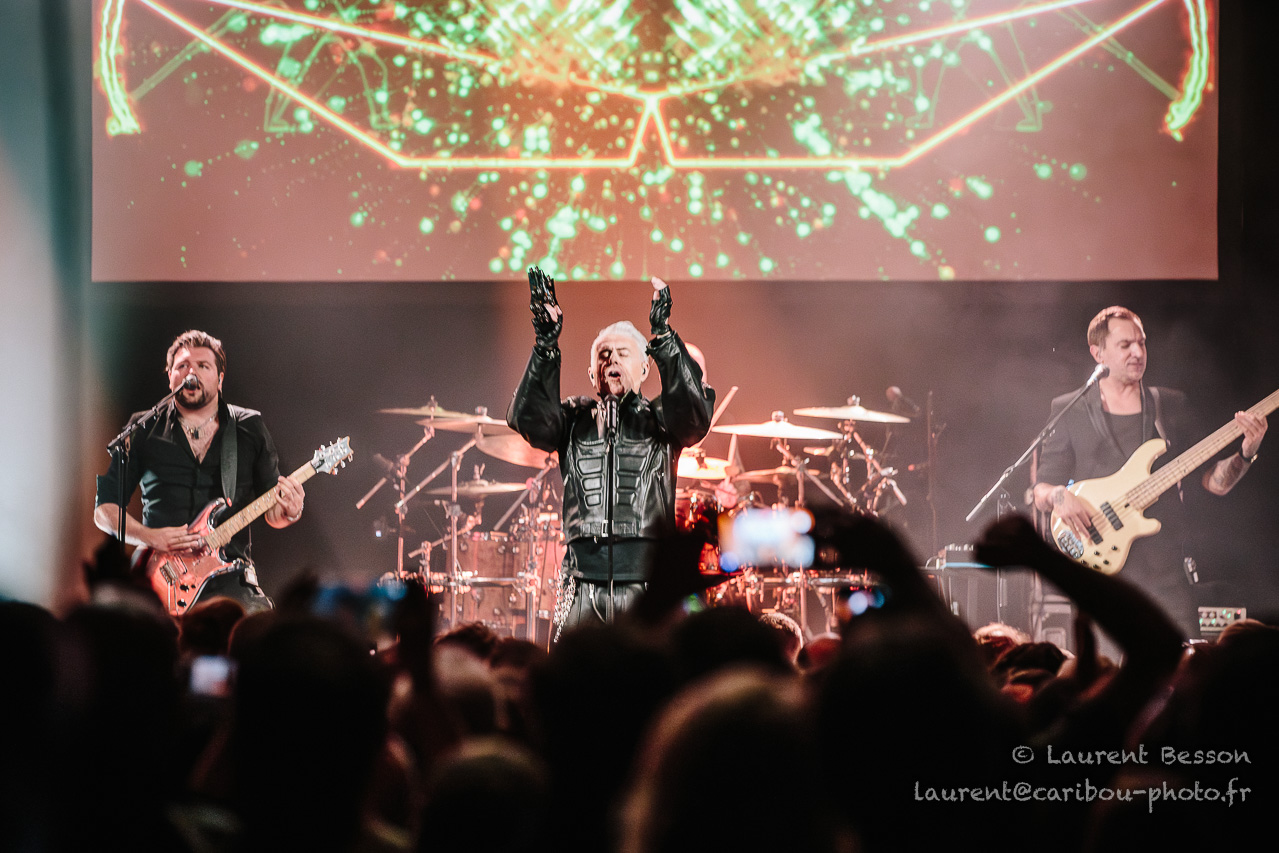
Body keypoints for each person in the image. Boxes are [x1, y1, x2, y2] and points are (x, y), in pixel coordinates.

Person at [1031, 306, 1266, 637]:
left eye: (1141, 343)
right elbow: (1042, 489)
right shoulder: (1068, 409)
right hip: (1100, 572)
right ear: (1098, 353)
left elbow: (1215, 483)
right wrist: (1059, 495)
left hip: (1165, 573)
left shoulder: (1169, 405)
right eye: (1125, 345)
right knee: (1104, 668)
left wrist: (1246, 452)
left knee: (1181, 665)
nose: (1138, 353)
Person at [507, 268, 714, 634]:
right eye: (604, 355)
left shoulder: (663, 420)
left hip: (648, 581)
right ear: (592, 374)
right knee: (573, 669)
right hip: (581, 582)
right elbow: (529, 420)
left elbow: (694, 419)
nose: (612, 361)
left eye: (622, 353)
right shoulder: (572, 420)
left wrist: (664, 337)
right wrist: (545, 347)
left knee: (653, 667)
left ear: (645, 368)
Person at [94, 330, 304, 613]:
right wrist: (150, 536)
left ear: (219, 379)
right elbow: (104, 510)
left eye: (203, 366)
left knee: (260, 630)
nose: (191, 372)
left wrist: (291, 511)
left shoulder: (248, 426)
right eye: (182, 366)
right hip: (158, 580)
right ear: (170, 377)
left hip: (229, 578)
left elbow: (273, 513)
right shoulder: (143, 428)